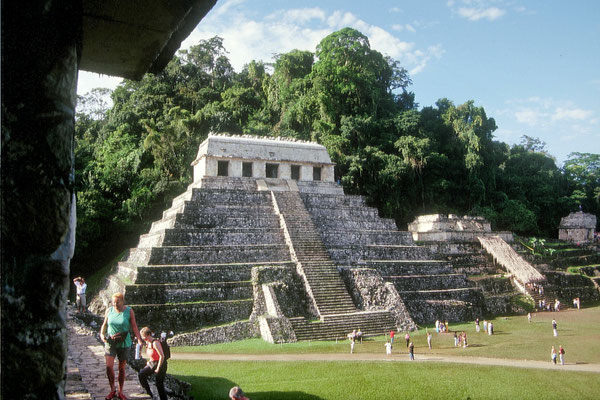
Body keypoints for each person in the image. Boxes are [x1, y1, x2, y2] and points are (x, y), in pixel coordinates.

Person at [100, 292, 143, 400]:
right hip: (111, 342)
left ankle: (120, 391)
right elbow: (104, 324)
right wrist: (102, 334)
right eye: (113, 302)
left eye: (117, 302)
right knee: (109, 366)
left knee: (122, 368)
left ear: (122, 301)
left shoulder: (129, 311)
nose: (115, 304)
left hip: (124, 342)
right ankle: (112, 389)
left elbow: (134, 326)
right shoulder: (109, 311)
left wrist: (139, 339)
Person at [138, 327, 168, 400]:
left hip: (161, 363)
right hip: (153, 363)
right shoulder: (148, 343)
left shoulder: (155, 343)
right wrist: (148, 363)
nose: (143, 339)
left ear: (148, 335)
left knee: (159, 384)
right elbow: (152, 355)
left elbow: (162, 356)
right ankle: (148, 393)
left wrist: (158, 368)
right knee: (141, 374)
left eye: (144, 337)